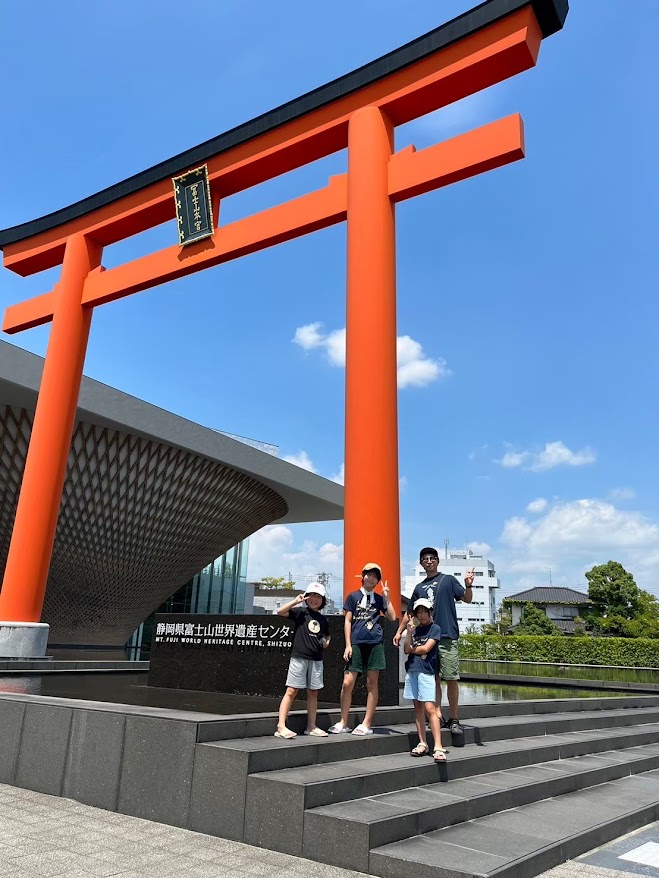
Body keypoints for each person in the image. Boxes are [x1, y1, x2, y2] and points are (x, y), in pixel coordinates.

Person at [394, 547, 473, 735]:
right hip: (426, 637)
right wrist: (399, 632)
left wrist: (468, 585)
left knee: (451, 677)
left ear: (437, 561)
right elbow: (409, 613)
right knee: (433, 677)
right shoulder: (419, 587)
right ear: (421, 563)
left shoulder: (448, 580)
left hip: (447, 636)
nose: (428, 561)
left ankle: (454, 718)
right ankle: (437, 714)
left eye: (432, 558)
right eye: (425, 559)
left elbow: (467, 599)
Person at [329, 562, 397, 736]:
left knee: (372, 683)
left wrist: (387, 598)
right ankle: (343, 721)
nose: (371, 577)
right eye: (368, 574)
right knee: (347, 683)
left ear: (377, 580)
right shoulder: (353, 597)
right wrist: (348, 645)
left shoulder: (380, 599)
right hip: (357, 644)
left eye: (375, 575)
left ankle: (366, 724)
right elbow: (347, 621)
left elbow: (392, 617)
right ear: (362, 576)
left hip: (375, 643)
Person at [274, 582, 331, 739]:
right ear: (306, 597)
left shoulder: (323, 619)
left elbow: (327, 636)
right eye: (311, 595)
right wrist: (295, 601)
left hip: (316, 659)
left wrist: (326, 642)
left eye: (318, 596)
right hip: (299, 657)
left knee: (313, 692)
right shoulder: (300, 613)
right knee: (292, 690)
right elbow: (280, 612)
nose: (314, 599)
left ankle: (311, 726)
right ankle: (281, 726)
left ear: (322, 600)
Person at [403, 598, 446, 762]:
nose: (422, 615)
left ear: (430, 612)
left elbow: (427, 648)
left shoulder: (435, 628)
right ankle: (422, 743)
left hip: (426, 671)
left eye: (424, 611)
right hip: (413, 670)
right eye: (418, 612)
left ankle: (438, 746)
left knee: (430, 708)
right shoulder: (414, 630)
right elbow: (407, 649)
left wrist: (414, 649)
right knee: (418, 707)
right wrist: (409, 633)